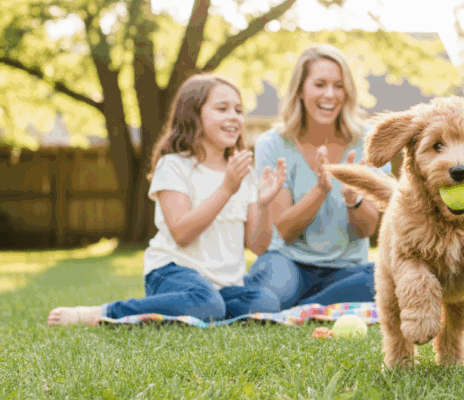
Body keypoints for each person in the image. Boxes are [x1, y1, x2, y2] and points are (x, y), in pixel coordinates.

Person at [48, 74, 284, 325]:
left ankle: (200, 309)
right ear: (193, 115)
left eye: (238, 110)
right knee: (206, 303)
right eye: (222, 108)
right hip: (172, 272)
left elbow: (257, 246)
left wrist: (265, 203)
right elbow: (182, 233)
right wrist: (226, 189)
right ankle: (106, 312)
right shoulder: (174, 165)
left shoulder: (242, 172)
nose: (234, 117)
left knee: (265, 303)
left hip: (223, 286)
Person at [243, 44, 386, 309]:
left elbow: (365, 230)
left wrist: (353, 200)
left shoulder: (368, 141)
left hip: (347, 269)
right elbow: (285, 230)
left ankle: (303, 307)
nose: (330, 94)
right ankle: (318, 305)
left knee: (383, 280)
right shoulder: (273, 143)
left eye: (339, 86)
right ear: (300, 90)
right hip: (288, 263)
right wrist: (320, 190)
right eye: (319, 84)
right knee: (267, 299)